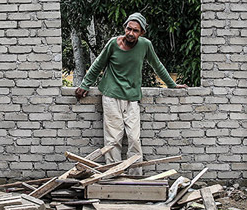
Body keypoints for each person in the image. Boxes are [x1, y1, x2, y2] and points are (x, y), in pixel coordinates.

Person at [75, 13, 187, 172]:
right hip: (111, 95)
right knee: (113, 139)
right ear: (124, 28)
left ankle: (135, 177)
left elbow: (157, 65)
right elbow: (97, 65)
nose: (131, 33)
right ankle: (112, 174)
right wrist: (85, 84)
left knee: (134, 139)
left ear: (141, 33)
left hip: (132, 97)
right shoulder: (113, 44)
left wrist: (172, 85)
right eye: (129, 29)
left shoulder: (145, 45)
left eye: (135, 31)